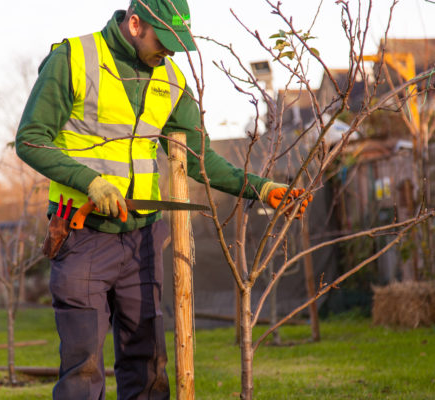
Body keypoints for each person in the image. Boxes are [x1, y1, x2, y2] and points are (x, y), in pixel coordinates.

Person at [16, 0, 310, 398]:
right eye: (164, 40)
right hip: (82, 234)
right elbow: (31, 140)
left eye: (177, 43)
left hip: (142, 241)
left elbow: (199, 160)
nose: (170, 52)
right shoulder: (73, 58)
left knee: (148, 366)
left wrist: (263, 188)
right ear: (135, 23)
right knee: (83, 370)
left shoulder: (171, 79)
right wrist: (91, 182)